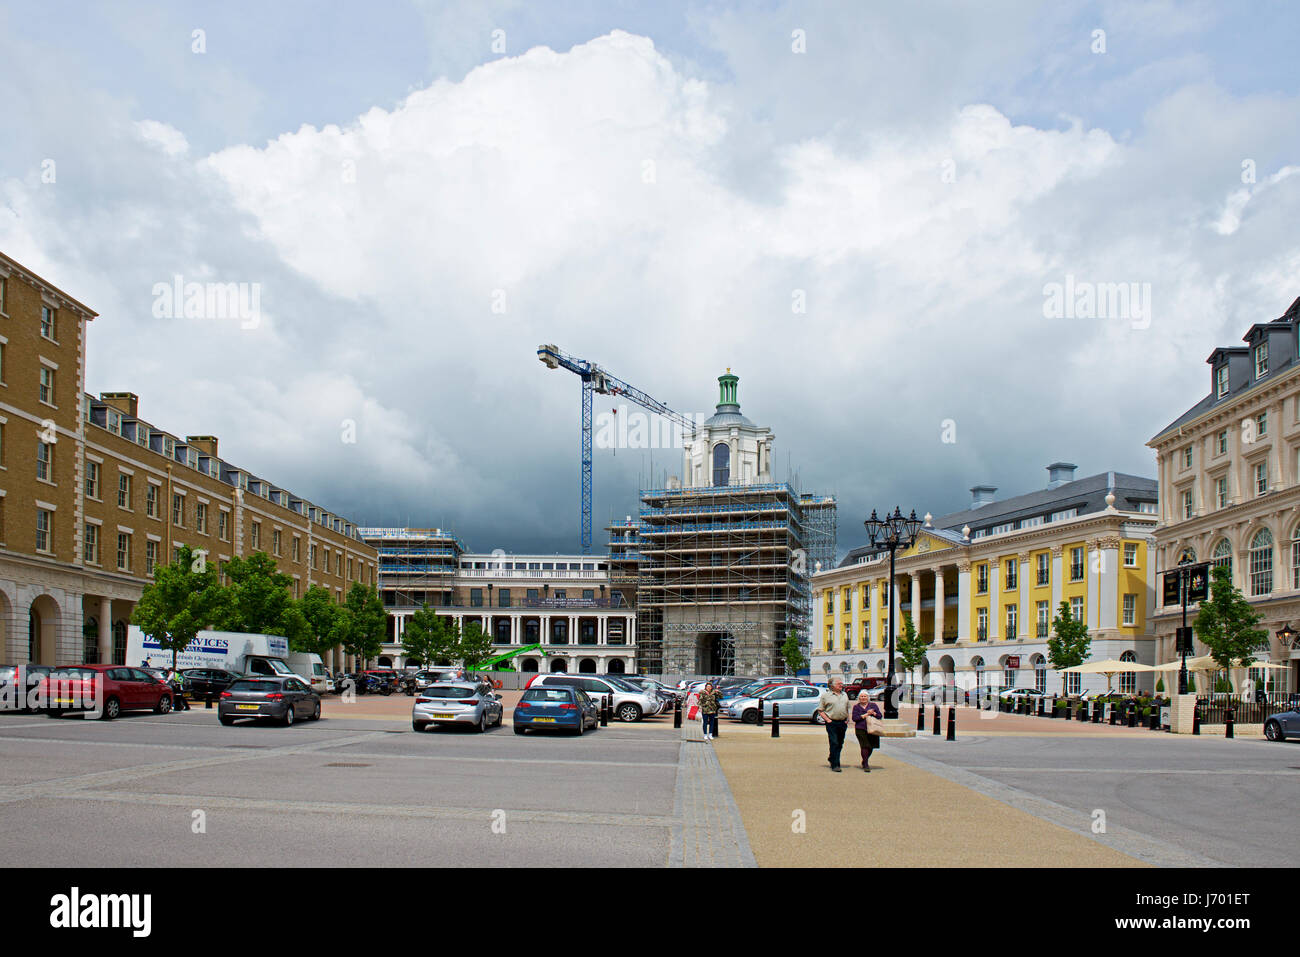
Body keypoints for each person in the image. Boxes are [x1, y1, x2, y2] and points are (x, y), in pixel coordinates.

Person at [816, 677, 851, 771]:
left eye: (842, 683)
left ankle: (832, 757)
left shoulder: (845, 695)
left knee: (840, 743)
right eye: (839, 684)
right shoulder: (825, 696)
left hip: (842, 722)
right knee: (834, 742)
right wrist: (828, 720)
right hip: (832, 722)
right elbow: (820, 710)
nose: (841, 685)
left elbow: (847, 707)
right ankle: (835, 764)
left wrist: (848, 718)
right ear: (832, 686)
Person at [851, 690, 882, 771]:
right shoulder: (856, 707)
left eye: (865, 696)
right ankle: (866, 764)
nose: (863, 698)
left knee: (871, 746)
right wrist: (865, 714)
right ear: (859, 698)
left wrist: (873, 713)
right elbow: (854, 718)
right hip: (861, 728)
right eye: (861, 696)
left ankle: (864, 760)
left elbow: (879, 716)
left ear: (868, 698)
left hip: (872, 728)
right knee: (864, 746)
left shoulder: (873, 705)